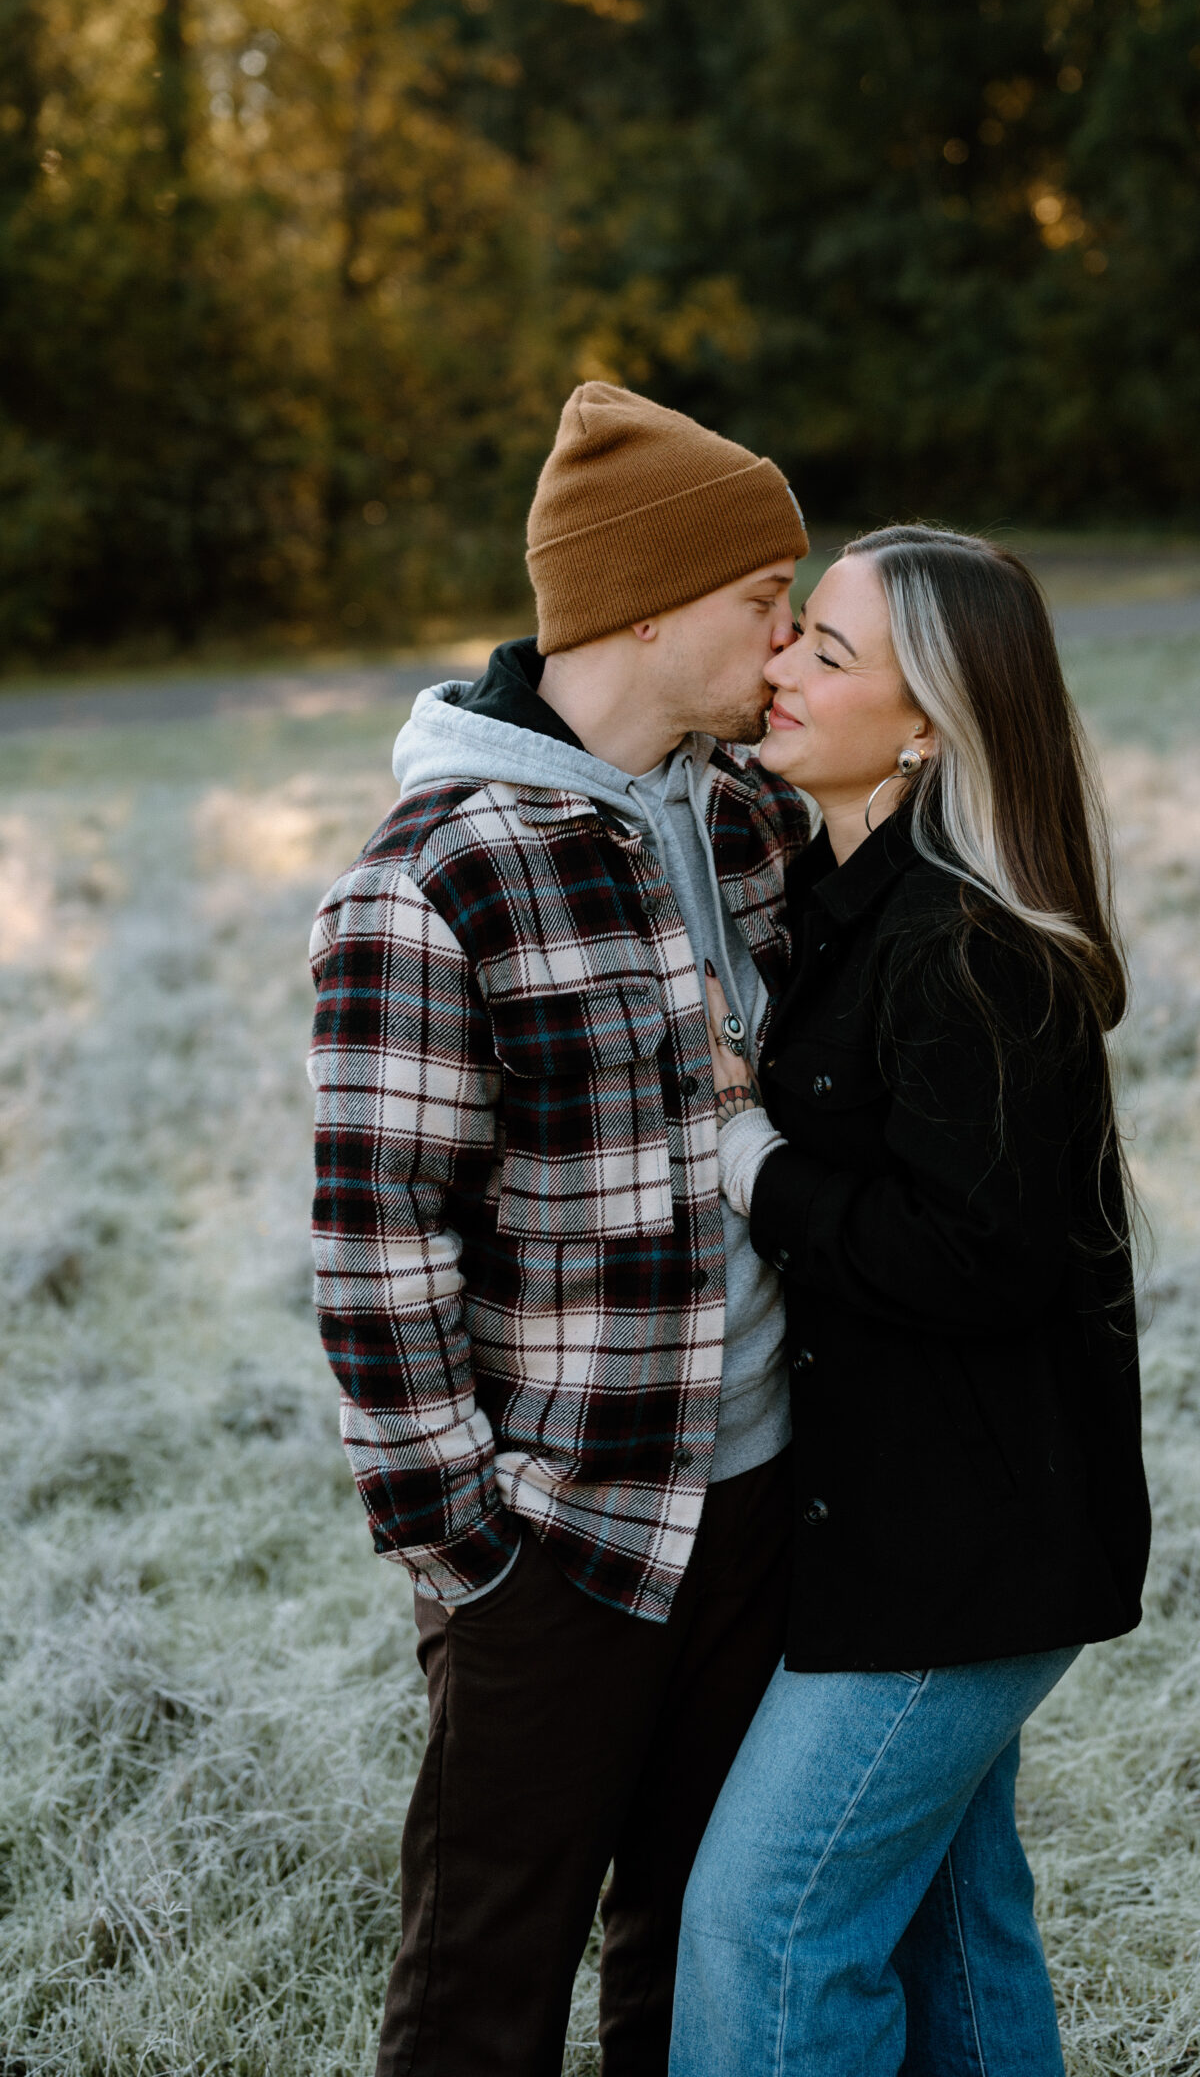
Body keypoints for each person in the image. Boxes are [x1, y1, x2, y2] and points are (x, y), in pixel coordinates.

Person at [307, 381, 813, 2077]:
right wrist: (475, 1558)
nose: (791, 633)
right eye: (765, 597)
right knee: (483, 1976)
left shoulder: (748, 820)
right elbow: (380, 1262)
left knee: (692, 1945)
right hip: (561, 1537)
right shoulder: (433, 877)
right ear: (647, 603)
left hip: (758, 1504)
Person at [670, 524, 1151, 2077]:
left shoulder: (970, 946)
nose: (782, 666)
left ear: (930, 722)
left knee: (769, 1927)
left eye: (829, 649)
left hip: (963, 1558)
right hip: (900, 1536)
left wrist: (755, 1166)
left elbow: (970, 1259)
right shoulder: (844, 889)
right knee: (955, 1927)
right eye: (791, 630)